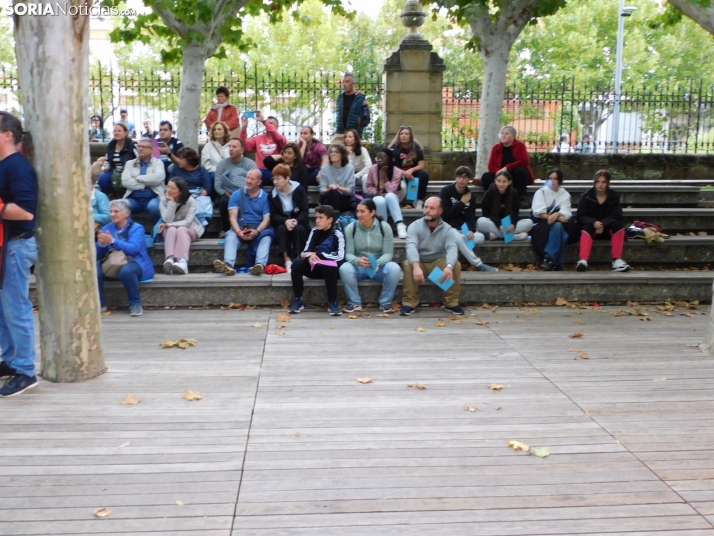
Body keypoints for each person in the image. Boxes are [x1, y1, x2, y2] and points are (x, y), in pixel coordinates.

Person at [0, 112, 38, 397]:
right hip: (5, 247)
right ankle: (11, 359)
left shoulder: (18, 167)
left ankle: (26, 370)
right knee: (4, 309)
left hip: (16, 246)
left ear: (7, 135)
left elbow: (25, 212)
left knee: (16, 309)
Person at [401, 197, 463, 316]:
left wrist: (449, 266)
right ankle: (410, 303)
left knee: (455, 265)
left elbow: (452, 248)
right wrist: (416, 265)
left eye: (432, 208)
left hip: (437, 262)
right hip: (420, 261)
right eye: (426, 207)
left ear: (440, 211)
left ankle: (451, 303)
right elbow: (411, 246)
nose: (427, 210)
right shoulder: (415, 226)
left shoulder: (447, 229)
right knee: (408, 265)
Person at [341, 199, 401, 314]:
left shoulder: (384, 227)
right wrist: (357, 260)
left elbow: (388, 253)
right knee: (344, 268)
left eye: (362, 211)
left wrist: (377, 263)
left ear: (372, 212)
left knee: (394, 268)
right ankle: (354, 302)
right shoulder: (351, 228)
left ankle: (385, 302)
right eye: (357, 211)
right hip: (359, 266)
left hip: (378, 266)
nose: (359, 214)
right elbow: (348, 254)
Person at [96, 199, 155, 317]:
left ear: (127, 213)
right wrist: (102, 244)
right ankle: (101, 304)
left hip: (136, 262)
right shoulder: (107, 227)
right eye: (111, 211)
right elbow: (97, 255)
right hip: (113, 262)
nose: (112, 214)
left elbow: (134, 249)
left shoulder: (137, 228)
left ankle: (135, 304)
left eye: (116, 211)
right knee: (93, 269)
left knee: (127, 271)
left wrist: (112, 241)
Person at [213, 169, 274, 276]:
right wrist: (238, 232)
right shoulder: (237, 194)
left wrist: (257, 231)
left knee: (266, 238)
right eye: (247, 178)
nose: (248, 181)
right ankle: (228, 265)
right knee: (230, 236)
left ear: (259, 182)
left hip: (258, 229)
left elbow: (267, 219)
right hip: (240, 228)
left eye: (252, 179)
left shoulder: (265, 197)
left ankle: (259, 265)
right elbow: (232, 218)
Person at [287, 205, 345, 316]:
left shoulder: (338, 234)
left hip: (332, 271)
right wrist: (310, 257)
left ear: (330, 220)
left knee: (329, 264)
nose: (317, 221)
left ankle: (332, 302)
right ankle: (298, 299)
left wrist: (319, 255)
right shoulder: (315, 231)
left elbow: (340, 257)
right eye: (316, 218)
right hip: (315, 268)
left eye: (321, 218)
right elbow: (304, 252)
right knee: (297, 263)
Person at [440, 166, 498, 272]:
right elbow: (445, 215)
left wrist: (470, 230)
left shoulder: (470, 196)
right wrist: (461, 203)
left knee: (479, 237)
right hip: (448, 228)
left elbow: (470, 217)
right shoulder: (446, 191)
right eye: (459, 176)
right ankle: (479, 264)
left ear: (469, 179)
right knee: (456, 237)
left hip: (463, 230)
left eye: (465, 177)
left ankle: (468, 238)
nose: (462, 180)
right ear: (455, 178)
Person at [575, 170, 630, 272]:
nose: (600, 185)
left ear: (608, 183)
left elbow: (617, 214)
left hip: (608, 229)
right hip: (591, 228)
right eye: (598, 181)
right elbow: (580, 216)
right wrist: (593, 222)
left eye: (603, 182)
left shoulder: (613, 196)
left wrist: (603, 224)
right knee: (586, 227)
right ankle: (583, 260)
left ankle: (617, 260)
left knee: (618, 226)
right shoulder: (587, 196)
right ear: (594, 182)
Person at [479, 125, 534, 208]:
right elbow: (491, 165)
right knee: (486, 176)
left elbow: (525, 161)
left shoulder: (520, 146)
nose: (503, 135)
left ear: (512, 136)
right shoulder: (496, 148)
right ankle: (496, 199)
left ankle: (520, 199)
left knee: (522, 170)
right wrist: (499, 173)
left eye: (506, 133)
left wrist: (507, 167)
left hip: (515, 177)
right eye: (502, 133)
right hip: (500, 176)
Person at [159, 177, 204, 275]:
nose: (169, 190)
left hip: (190, 229)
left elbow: (188, 222)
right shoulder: (163, 200)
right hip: (170, 230)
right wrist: (171, 202)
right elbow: (167, 220)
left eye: (172, 188)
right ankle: (169, 260)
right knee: (171, 230)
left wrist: (170, 225)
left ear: (180, 191)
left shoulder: (190, 200)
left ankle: (182, 262)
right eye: (168, 187)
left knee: (181, 229)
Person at [530, 168, 574, 271]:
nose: (553, 181)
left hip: (558, 224)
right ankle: (557, 262)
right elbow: (538, 212)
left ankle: (549, 258)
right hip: (542, 225)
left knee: (560, 227)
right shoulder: (541, 193)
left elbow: (566, 213)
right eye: (550, 178)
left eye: (555, 178)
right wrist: (553, 217)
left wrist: (557, 214)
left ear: (560, 181)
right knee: (561, 230)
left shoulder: (564, 194)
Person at [269, 164, 310, 271]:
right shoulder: (273, 194)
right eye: (274, 179)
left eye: (278, 178)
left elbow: (305, 211)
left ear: (287, 178)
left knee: (300, 229)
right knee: (281, 229)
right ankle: (287, 260)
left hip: (299, 222)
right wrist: (285, 221)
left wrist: (297, 220)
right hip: (283, 222)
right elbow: (273, 215)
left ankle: (298, 258)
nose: (275, 182)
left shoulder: (299, 189)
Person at [215, 138, 257, 236]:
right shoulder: (222, 164)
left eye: (234, 147)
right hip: (228, 193)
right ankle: (226, 229)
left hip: (246, 193)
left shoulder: (250, 164)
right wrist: (224, 193)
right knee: (224, 202)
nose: (230, 149)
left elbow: (254, 181)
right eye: (229, 146)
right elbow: (217, 183)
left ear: (242, 150)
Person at [477, 170, 534, 241]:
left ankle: (498, 236)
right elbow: (486, 215)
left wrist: (513, 224)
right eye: (499, 181)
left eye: (504, 181)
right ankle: (513, 237)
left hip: (508, 225)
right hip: (495, 223)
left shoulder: (514, 194)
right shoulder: (489, 194)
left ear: (509, 182)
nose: (501, 184)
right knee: (481, 222)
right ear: (495, 181)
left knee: (529, 223)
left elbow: (515, 214)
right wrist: (500, 225)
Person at [120, 137, 165, 226]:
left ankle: (157, 232)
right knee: (123, 206)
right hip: (134, 199)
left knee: (154, 207)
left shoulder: (158, 163)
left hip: (153, 198)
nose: (140, 149)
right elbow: (125, 181)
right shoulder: (130, 163)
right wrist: (145, 185)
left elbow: (158, 178)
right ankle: (129, 232)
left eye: (143, 147)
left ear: (151, 150)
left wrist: (137, 178)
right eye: (139, 146)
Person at [365, 148, 407, 239]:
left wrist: (384, 175)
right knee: (379, 200)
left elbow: (392, 190)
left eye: (383, 157)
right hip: (378, 195)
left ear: (389, 158)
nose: (379, 160)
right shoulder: (373, 168)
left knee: (389, 196)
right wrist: (376, 193)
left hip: (393, 197)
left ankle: (400, 225)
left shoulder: (397, 171)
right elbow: (369, 185)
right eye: (378, 158)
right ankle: (383, 227)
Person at [239, 111, 286, 186]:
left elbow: (277, 136)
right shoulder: (258, 138)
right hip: (260, 172)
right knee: (254, 175)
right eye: (267, 123)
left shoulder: (281, 138)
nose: (267, 125)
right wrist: (244, 128)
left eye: (271, 123)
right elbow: (244, 146)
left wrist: (264, 121)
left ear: (277, 127)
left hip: (276, 172)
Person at [389, 126, 429, 209]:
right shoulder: (394, 148)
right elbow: (392, 166)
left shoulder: (416, 147)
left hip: (412, 175)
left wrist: (411, 170)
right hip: (398, 174)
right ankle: (399, 200)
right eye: (401, 134)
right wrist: (404, 173)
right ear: (399, 136)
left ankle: (417, 200)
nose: (403, 135)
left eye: (406, 134)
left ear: (411, 136)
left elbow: (421, 165)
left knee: (424, 174)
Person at [97, 122, 137, 196]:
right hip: (115, 171)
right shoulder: (111, 145)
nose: (116, 133)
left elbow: (139, 159)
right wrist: (106, 167)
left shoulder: (132, 145)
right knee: (103, 179)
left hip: (129, 171)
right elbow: (108, 160)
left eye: (119, 131)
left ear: (125, 133)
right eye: (115, 131)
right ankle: (111, 196)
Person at [319, 143, 355, 215]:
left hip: (344, 198)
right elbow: (322, 190)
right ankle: (336, 220)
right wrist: (330, 188)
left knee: (335, 193)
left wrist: (338, 188)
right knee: (333, 193)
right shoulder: (325, 168)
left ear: (342, 154)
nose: (333, 154)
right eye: (331, 152)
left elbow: (350, 191)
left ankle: (335, 220)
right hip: (328, 198)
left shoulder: (350, 168)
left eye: (336, 152)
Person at [334, 73, 370, 141]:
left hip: (354, 134)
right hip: (340, 133)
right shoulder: (340, 98)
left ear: (353, 83)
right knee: (334, 150)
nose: (344, 84)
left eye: (347, 81)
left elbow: (366, 118)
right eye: (343, 82)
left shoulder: (360, 98)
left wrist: (358, 126)